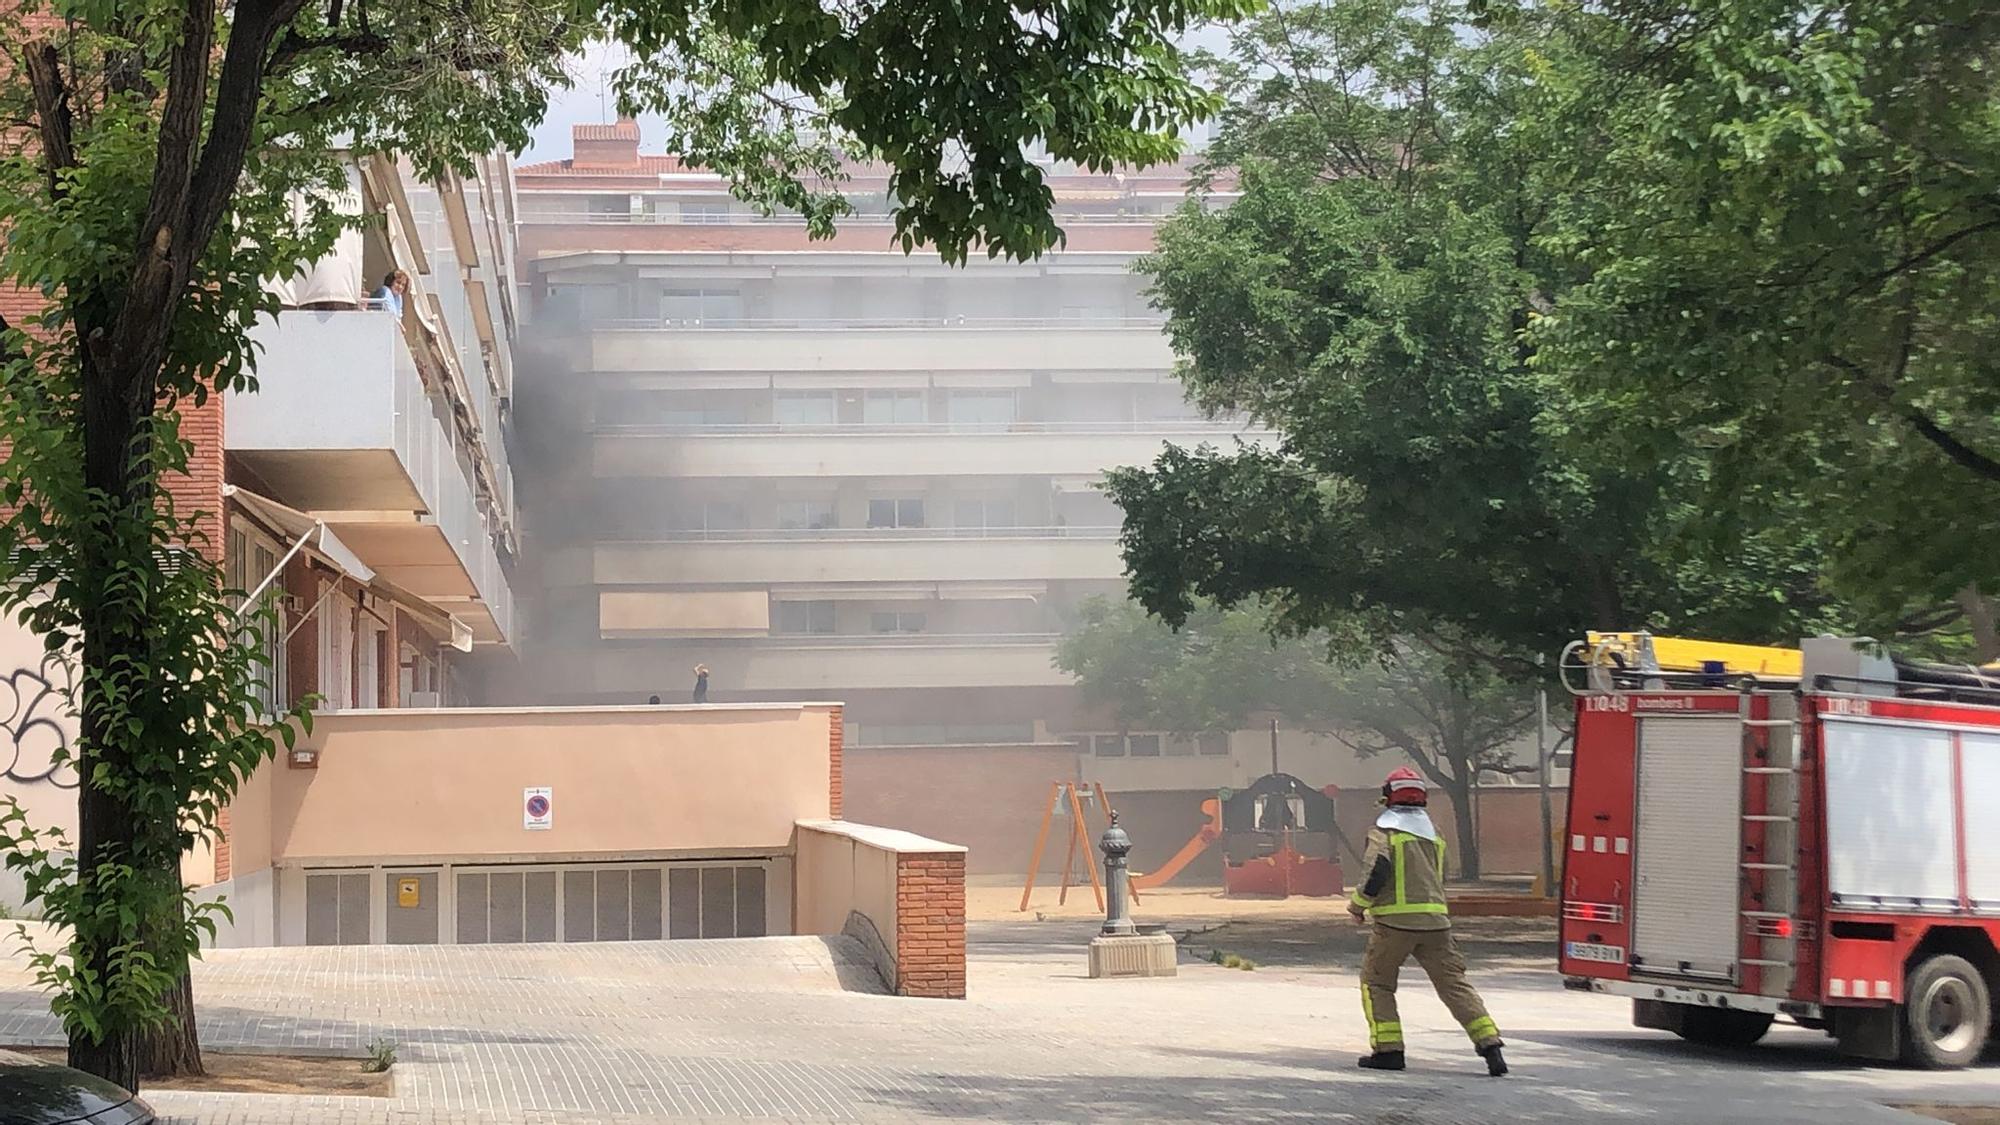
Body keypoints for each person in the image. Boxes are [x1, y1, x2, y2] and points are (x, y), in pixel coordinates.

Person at [1348, 766, 1508, 1077]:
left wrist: (1358, 906)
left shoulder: (1385, 833)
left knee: (1377, 984)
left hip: (1395, 924)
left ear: (1387, 798)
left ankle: (1388, 1051)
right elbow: (1439, 877)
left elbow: (1376, 872)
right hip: (1437, 925)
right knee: (1454, 986)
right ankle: (1491, 1048)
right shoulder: (1435, 835)